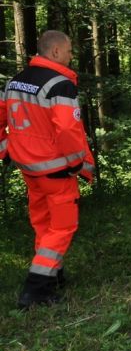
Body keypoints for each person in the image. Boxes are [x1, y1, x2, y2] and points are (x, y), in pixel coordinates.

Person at [1, 31, 96, 309]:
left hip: (28, 168)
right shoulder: (60, 85)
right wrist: (76, 163)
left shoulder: (15, 81)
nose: (71, 56)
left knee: (43, 223)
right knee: (63, 226)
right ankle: (36, 289)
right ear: (55, 52)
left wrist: (6, 149)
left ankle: (53, 274)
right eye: (69, 51)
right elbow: (67, 129)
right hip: (56, 169)